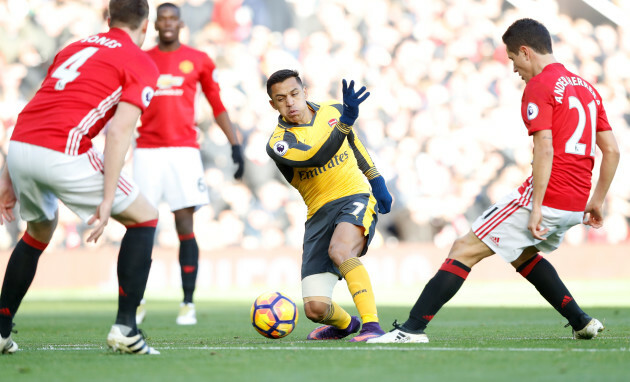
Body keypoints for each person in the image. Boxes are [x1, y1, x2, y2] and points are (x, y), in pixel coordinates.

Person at [368, 18, 620, 344]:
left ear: (526, 52)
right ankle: (581, 321)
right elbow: (612, 150)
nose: (515, 70)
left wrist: (538, 205)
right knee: (521, 253)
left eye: (514, 60)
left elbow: (544, 146)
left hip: (548, 194)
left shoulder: (540, 86)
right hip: (576, 201)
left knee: (464, 248)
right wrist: (597, 201)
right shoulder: (587, 88)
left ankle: (411, 329)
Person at [0, 0, 161, 355]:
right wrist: (107, 200)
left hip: (22, 145)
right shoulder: (139, 61)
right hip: (63, 148)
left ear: (108, 18)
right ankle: (126, 328)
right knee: (144, 216)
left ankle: (0, 329)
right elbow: (119, 132)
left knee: (39, 230)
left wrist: (7, 173)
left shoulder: (74, 47)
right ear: (145, 25)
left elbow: (36, 105)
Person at [133, 2, 244, 326]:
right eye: (162, 18)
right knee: (141, 228)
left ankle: (187, 302)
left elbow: (217, 103)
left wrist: (235, 143)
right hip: (147, 151)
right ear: (154, 25)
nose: (167, 23)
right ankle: (135, 301)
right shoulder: (143, 60)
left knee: (185, 226)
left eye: (172, 18)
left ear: (180, 23)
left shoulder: (198, 60)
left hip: (184, 152)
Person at [265, 69, 393, 342]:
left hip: (353, 196)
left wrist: (376, 180)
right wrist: (345, 122)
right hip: (318, 214)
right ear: (273, 104)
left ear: (304, 92)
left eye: (294, 94)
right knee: (315, 308)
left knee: (341, 250)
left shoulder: (332, 111)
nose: (290, 102)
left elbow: (353, 143)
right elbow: (317, 157)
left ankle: (372, 326)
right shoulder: (278, 143)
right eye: (281, 98)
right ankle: (347, 324)